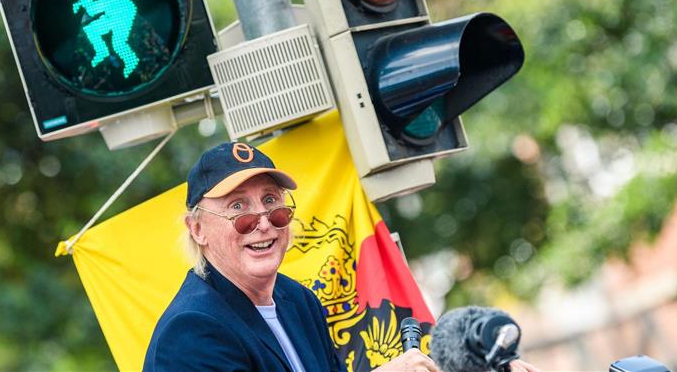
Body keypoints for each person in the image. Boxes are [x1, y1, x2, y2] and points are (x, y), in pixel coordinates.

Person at [142, 141, 537, 372]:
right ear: (197, 229)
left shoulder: (297, 300)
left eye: (272, 203)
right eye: (237, 209)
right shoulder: (191, 330)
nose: (263, 222)